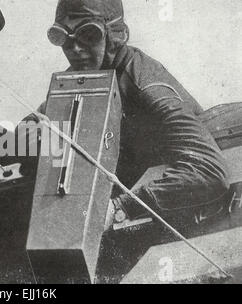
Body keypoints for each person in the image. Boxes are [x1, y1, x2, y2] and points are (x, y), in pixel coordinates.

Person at [45, 0, 230, 228]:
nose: (75, 49)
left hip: (178, 217)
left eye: (89, 35)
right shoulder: (78, 78)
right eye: (63, 38)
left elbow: (209, 170)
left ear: (115, 35)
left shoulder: (145, 83)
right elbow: (19, 138)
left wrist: (120, 208)